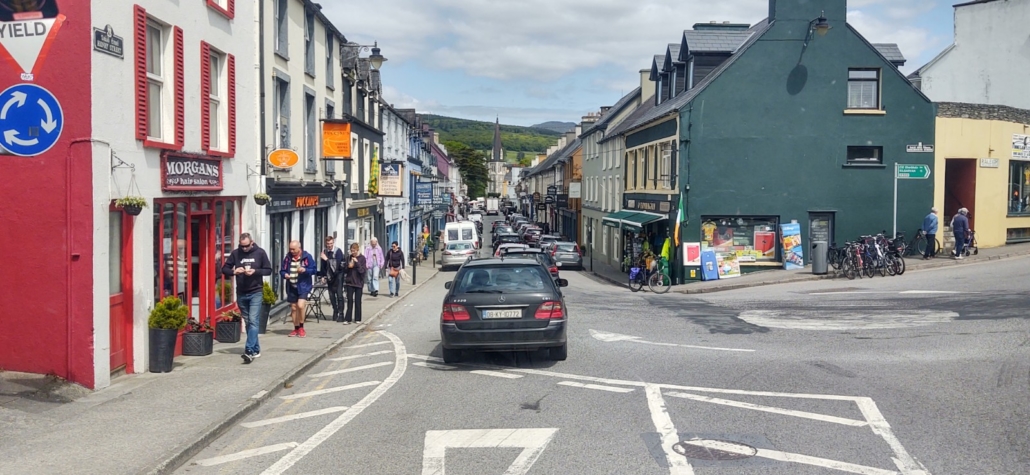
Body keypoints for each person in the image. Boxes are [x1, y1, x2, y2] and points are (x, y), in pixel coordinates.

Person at [221, 233, 272, 364]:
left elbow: (268, 270)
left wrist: (255, 271)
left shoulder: (260, 253)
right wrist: (234, 271)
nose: (244, 249)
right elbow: (224, 269)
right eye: (242, 246)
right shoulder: (235, 253)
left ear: (252, 242)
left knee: (254, 321)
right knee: (249, 322)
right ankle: (256, 349)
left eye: (246, 246)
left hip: (256, 291)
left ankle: (249, 351)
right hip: (242, 293)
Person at [280, 240, 316, 337]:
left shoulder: (307, 257)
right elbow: (282, 270)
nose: (291, 251)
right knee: (294, 307)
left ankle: (301, 327)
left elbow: (314, 270)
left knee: (300, 305)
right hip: (291, 285)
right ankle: (295, 328)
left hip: (303, 285)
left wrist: (305, 270)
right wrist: (285, 275)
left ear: (299, 248)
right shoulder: (287, 258)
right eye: (290, 249)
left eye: (293, 249)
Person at [318, 236, 345, 322]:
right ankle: (335, 310)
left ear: (333, 243)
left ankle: (341, 314)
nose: (329, 245)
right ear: (326, 244)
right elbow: (323, 266)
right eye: (328, 244)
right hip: (330, 277)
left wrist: (326, 259)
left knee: (339, 295)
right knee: (331, 296)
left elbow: (336, 266)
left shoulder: (338, 251)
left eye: (331, 243)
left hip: (338, 276)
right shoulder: (325, 252)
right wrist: (323, 276)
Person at [342, 243, 367, 324]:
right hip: (350, 282)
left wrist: (357, 263)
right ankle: (348, 319)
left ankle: (357, 318)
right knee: (349, 300)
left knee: (357, 301)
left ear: (357, 250)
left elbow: (362, 271)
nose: (353, 253)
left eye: (354, 251)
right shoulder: (348, 258)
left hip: (358, 282)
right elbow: (345, 270)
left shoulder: (362, 258)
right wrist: (348, 267)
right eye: (352, 251)